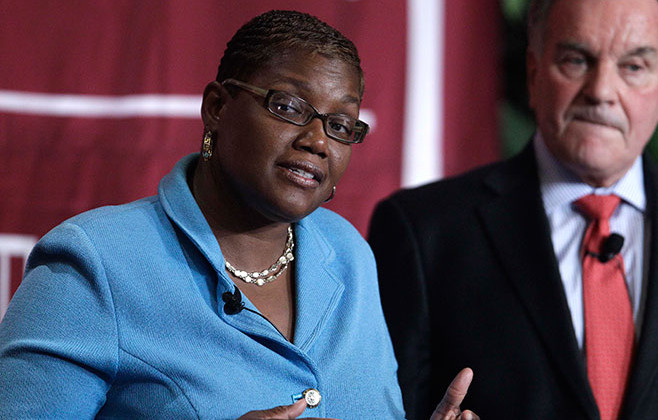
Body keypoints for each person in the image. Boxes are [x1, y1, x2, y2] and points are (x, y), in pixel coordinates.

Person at [0, 10, 478, 419]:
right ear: (216, 108)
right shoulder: (95, 262)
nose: (317, 141)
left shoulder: (349, 254)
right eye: (289, 107)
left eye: (339, 125)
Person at [369, 0, 658, 419]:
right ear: (534, 73)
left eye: (634, 67)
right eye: (576, 60)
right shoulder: (423, 232)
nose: (602, 91)